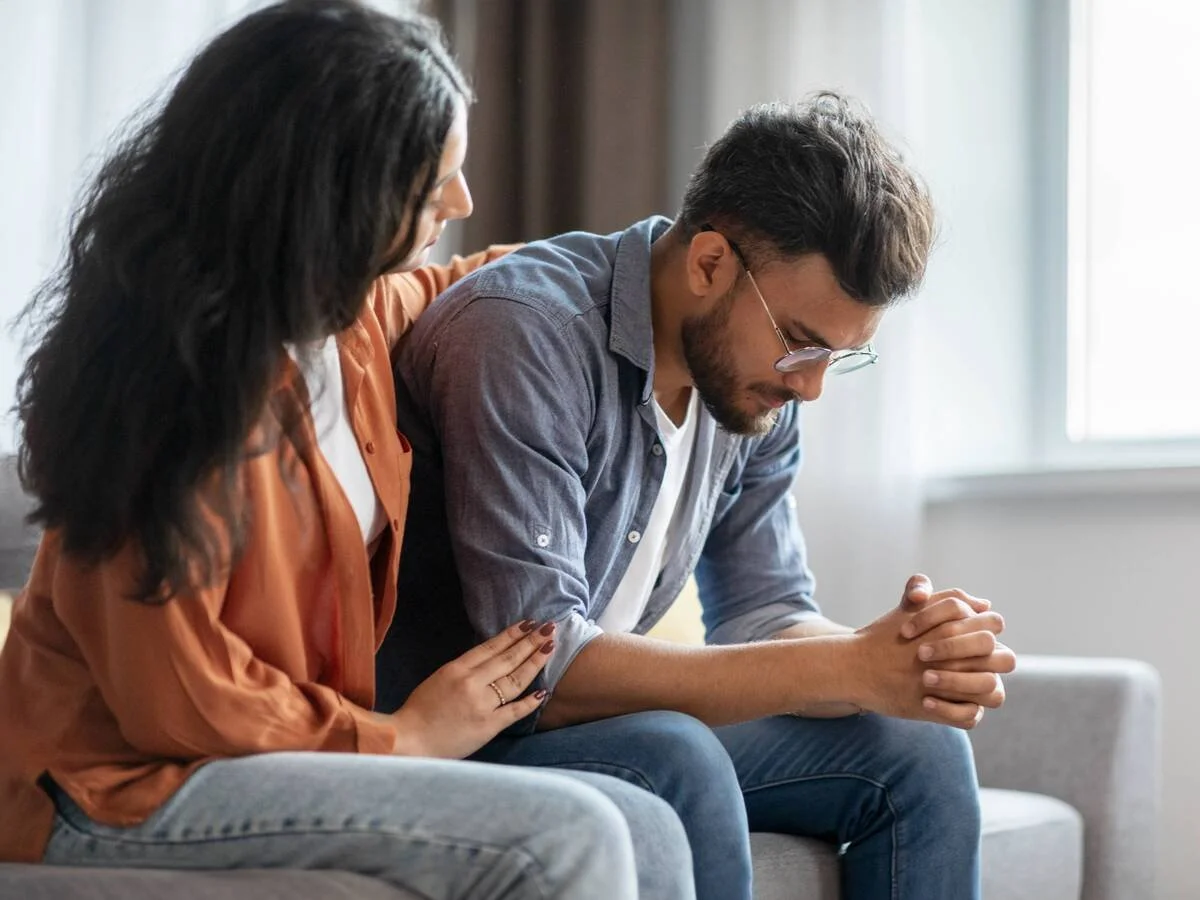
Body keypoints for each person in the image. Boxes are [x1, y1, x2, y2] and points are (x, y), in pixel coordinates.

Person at [0, 3, 695, 898]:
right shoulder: (162, 389)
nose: (462, 202)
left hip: (262, 758)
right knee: (571, 835)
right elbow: (177, 694)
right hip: (109, 784)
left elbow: (494, 280)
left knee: (645, 825)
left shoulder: (348, 325)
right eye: (432, 182)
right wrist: (402, 738)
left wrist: (659, 278)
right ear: (334, 190)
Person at [382, 92, 1019, 900]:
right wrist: (845, 667)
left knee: (919, 750)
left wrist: (901, 661)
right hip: (464, 733)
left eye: (838, 357)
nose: (812, 387)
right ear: (710, 263)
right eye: (801, 344)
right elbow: (546, 667)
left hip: (604, 729)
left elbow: (765, 609)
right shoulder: (525, 333)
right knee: (676, 754)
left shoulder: (753, 389)